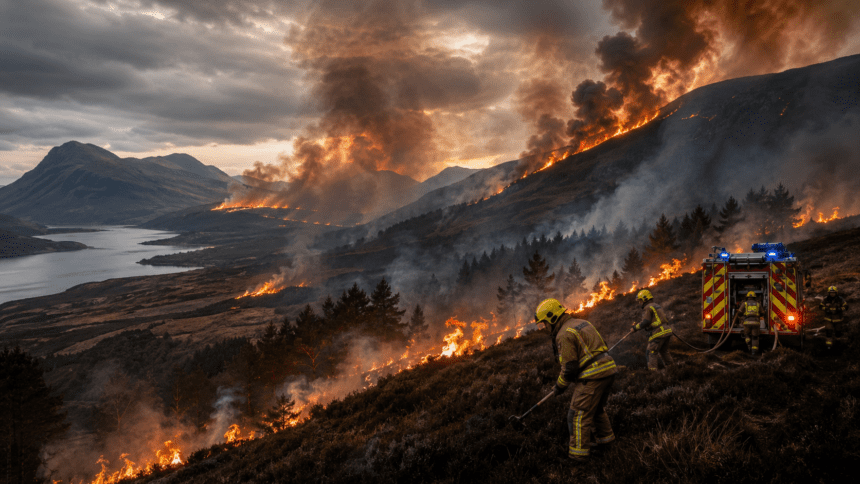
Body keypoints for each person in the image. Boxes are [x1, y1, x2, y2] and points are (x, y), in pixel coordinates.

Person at [534, 298, 617, 462]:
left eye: (544, 324)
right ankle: (607, 444)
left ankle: (577, 458)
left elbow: (569, 368)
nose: (545, 328)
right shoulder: (581, 322)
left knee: (577, 415)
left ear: (552, 317)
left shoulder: (564, 334)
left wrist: (559, 386)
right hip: (608, 369)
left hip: (593, 375)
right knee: (596, 410)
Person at [631, 289, 674, 369]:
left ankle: (654, 375)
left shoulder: (647, 307)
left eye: (640, 301)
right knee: (664, 352)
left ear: (645, 299)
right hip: (667, 331)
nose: (640, 303)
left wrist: (635, 328)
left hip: (659, 333)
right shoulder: (656, 305)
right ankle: (672, 370)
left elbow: (645, 322)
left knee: (650, 353)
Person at [732, 291, 762, 355]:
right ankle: (753, 351)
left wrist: (740, 317)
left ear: (747, 297)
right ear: (754, 297)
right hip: (756, 322)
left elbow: (739, 312)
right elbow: (763, 313)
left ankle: (748, 343)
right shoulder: (758, 304)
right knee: (755, 337)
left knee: (747, 334)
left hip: (747, 322)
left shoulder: (744, 303)